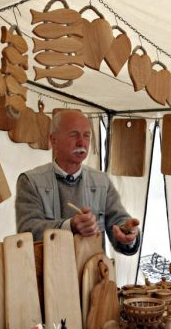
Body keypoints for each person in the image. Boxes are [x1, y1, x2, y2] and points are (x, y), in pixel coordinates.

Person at [14, 109, 141, 254]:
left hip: (94, 272)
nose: (82, 142)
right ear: (54, 140)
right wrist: (70, 226)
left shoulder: (101, 181)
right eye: (74, 135)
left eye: (86, 135)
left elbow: (119, 220)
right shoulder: (31, 181)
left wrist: (128, 233)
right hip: (49, 274)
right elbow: (27, 231)